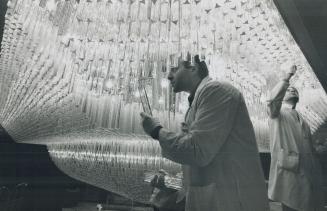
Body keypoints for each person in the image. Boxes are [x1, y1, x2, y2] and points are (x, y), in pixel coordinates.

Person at [140, 55, 269, 211]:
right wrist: (168, 182)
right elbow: (199, 166)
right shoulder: (198, 100)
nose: (168, 76)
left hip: (232, 200)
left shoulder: (217, 91)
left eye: (174, 69)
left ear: (193, 67)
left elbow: (198, 150)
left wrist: (156, 131)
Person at [267, 65, 324, 211]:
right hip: (289, 173)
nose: (291, 89)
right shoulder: (277, 114)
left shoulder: (303, 121)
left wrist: (321, 148)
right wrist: (287, 76)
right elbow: (273, 100)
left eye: (294, 89)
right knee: (290, 205)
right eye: (288, 89)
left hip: (305, 176)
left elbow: (310, 149)